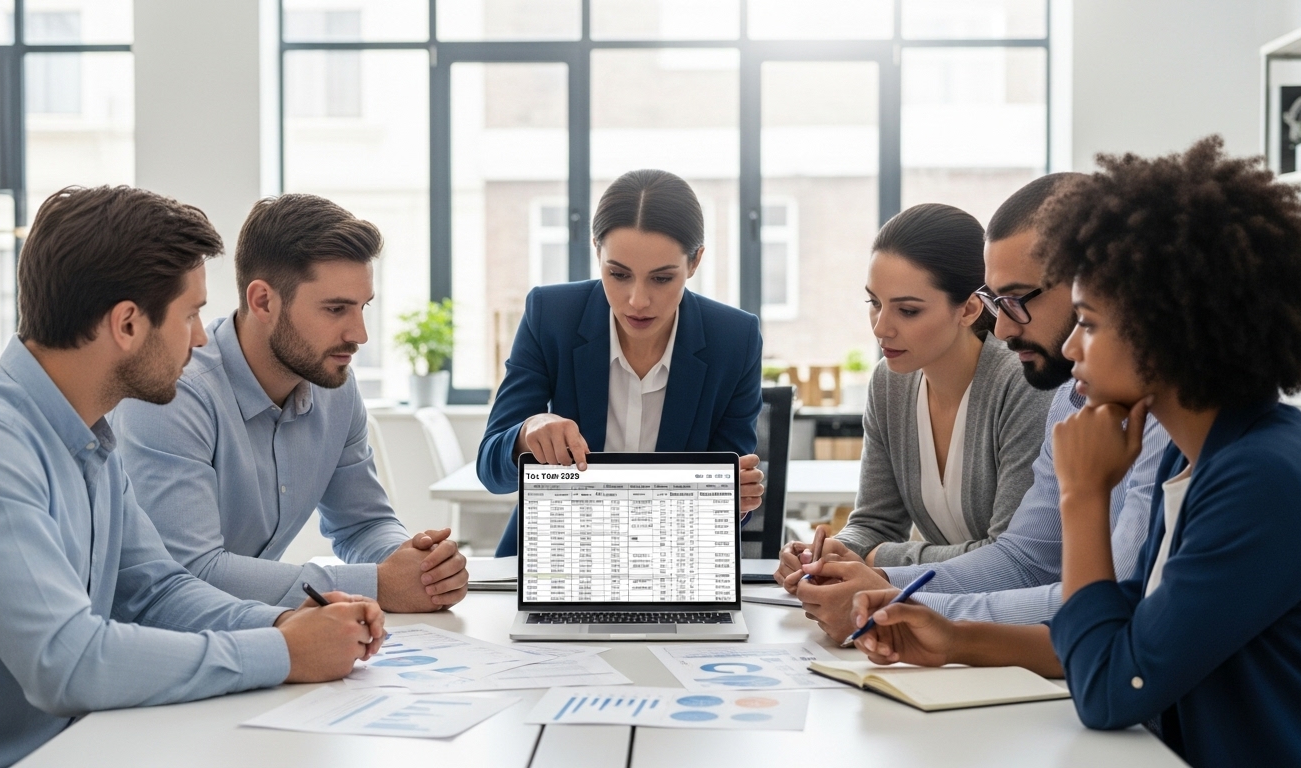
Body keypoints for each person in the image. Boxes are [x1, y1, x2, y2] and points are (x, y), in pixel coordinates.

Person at [851, 137, 1301, 766]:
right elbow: (1125, 626)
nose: (1073, 348)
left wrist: (1083, 493)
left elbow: (1111, 686)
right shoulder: (1196, 457)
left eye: (1092, 324)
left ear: (1170, 327)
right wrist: (956, 636)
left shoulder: (1259, 477)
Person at [0, 186, 385, 768]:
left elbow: (156, 590)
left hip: (86, 747)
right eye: (189, 314)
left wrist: (290, 622)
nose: (200, 337)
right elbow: (66, 662)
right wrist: (281, 652)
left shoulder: (89, 438)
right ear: (127, 324)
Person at [776, 173, 1169, 642]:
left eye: (1016, 300)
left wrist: (888, 594)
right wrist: (873, 587)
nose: (1001, 329)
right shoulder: (1071, 397)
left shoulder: (1066, 396)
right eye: (995, 301)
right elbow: (1027, 560)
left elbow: (1115, 608)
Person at [112, 194, 467, 611]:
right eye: (336, 309)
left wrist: (420, 566)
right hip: (159, 647)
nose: (359, 334)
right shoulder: (174, 395)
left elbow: (363, 523)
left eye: (363, 307)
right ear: (263, 301)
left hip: (250, 635)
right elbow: (192, 572)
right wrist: (376, 584)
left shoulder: (335, 386)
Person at [480, 169, 765, 557]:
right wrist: (527, 432)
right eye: (618, 274)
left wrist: (733, 500)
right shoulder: (552, 316)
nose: (637, 301)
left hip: (674, 563)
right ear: (596, 250)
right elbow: (490, 468)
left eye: (662, 279)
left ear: (695, 261)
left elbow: (730, 489)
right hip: (555, 558)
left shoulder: (734, 339)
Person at [830, 203, 1054, 566]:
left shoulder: (1021, 383)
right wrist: (833, 552)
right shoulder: (889, 383)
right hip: (936, 607)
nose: (880, 327)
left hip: (1009, 614)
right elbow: (875, 523)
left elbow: (1008, 557)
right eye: (874, 303)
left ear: (969, 309)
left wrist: (875, 558)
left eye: (908, 310)